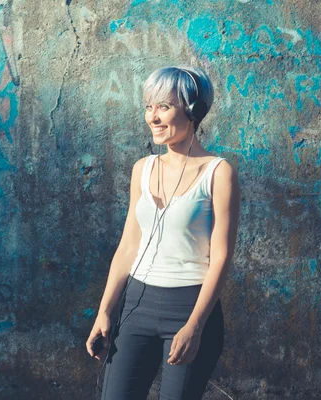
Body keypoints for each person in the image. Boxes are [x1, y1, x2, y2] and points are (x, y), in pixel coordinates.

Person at [86, 65, 240, 399]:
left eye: (164, 107)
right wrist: (105, 311)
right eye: (148, 107)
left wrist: (195, 325)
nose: (153, 118)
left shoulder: (218, 172)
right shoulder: (142, 169)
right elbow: (128, 246)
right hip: (136, 305)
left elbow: (222, 257)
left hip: (189, 306)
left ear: (194, 112)